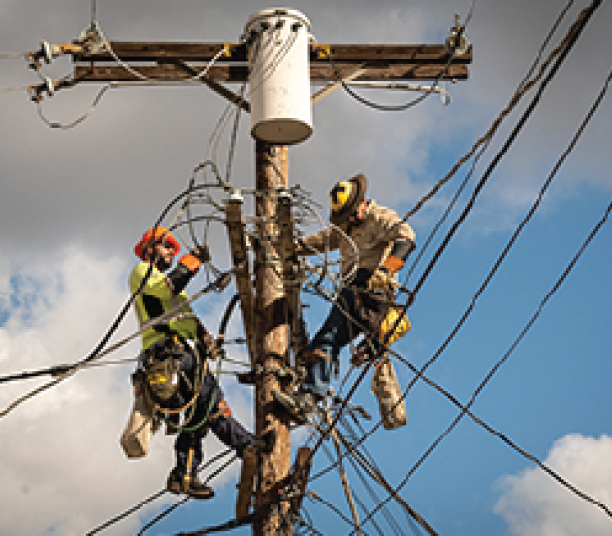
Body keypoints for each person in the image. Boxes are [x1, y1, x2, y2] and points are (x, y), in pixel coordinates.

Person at [129, 226, 275, 500]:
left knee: (204, 411)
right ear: (149, 248)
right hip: (167, 357)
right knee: (209, 404)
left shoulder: (177, 294)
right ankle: (246, 447)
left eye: (174, 247)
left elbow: (184, 317)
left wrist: (205, 338)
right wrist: (192, 260)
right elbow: (168, 287)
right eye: (166, 246)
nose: (172, 251)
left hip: (184, 357)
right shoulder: (143, 272)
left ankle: (185, 473)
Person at [274, 174, 416, 423]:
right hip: (350, 290)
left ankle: (312, 395)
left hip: (372, 290)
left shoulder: (379, 217)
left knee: (334, 338)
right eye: (345, 215)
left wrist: (386, 270)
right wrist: (283, 246)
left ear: (362, 202)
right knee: (325, 340)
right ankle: (309, 399)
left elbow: (406, 237)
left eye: (351, 213)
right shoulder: (345, 228)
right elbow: (320, 241)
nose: (349, 219)